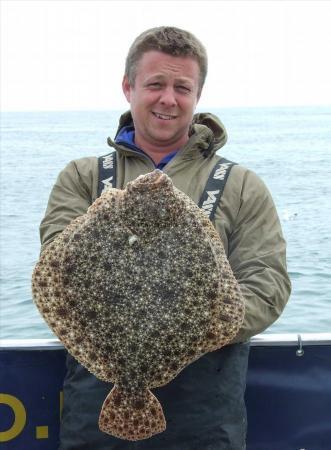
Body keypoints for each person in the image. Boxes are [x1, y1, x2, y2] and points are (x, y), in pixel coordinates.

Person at [39, 26, 291, 450]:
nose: (168, 99)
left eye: (182, 87)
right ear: (129, 87)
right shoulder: (82, 178)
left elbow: (269, 284)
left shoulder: (242, 186)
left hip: (206, 421)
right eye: (155, 84)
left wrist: (197, 330)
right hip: (93, 415)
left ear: (198, 95)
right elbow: (55, 269)